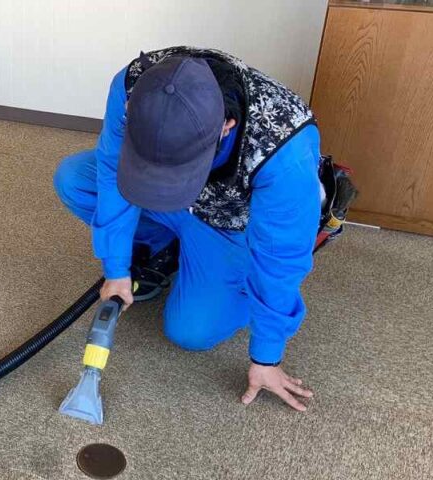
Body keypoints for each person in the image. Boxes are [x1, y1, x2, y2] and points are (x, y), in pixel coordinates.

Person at [54, 47, 322, 412]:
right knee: (73, 180)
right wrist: (116, 269)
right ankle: (161, 251)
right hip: (171, 199)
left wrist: (267, 356)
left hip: (229, 225)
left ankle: (224, 270)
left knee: (190, 331)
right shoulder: (133, 85)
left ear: (226, 125)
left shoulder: (283, 148)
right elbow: (112, 171)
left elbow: (281, 256)